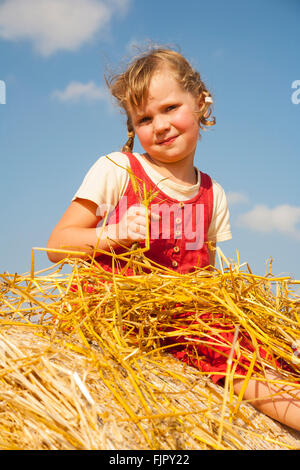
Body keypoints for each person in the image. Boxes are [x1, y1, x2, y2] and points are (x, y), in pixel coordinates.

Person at [47, 47, 300, 431]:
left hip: (186, 315)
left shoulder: (213, 194)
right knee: (229, 359)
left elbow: (206, 283)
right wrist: (112, 234)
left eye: (169, 108)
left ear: (200, 103)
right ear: (133, 128)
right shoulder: (117, 169)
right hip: (120, 312)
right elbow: (56, 244)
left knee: (274, 348)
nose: (160, 125)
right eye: (144, 118)